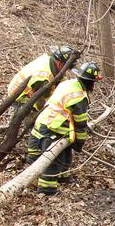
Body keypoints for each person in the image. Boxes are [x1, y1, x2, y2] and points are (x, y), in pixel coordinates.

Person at [27, 61, 102, 195]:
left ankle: (63, 176)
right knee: (52, 161)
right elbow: (80, 125)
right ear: (91, 82)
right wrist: (80, 144)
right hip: (53, 128)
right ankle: (47, 190)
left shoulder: (68, 83)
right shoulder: (79, 96)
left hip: (43, 121)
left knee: (65, 150)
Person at [7, 45, 75, 119]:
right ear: (60, 64)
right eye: (67, 68)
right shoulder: (43, 77)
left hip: (31, 91)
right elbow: (40, 103)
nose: (66, 71)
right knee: (35, 120)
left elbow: (61, 83)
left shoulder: (50, 61)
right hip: (20, 97)